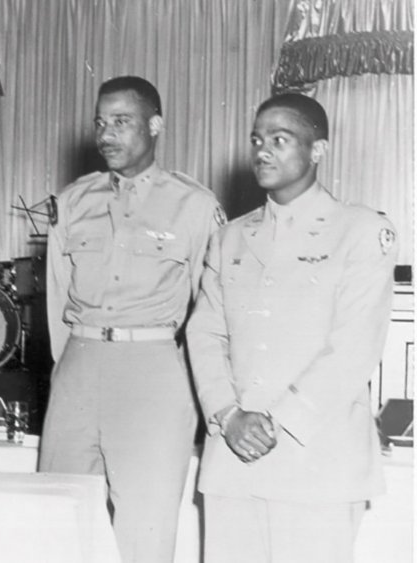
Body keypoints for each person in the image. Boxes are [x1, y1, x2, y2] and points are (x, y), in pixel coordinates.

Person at [186, 93, 397, 563]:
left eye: (280, 140)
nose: (263, 150)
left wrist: (276, 424)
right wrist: (228, 415)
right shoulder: (229, 238)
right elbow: (205, 334)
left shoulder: (360, 231)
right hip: (232, 458)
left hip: (315, 462)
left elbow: (354, 348)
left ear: (317, 150)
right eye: (258, 139)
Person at [41, 76, 225, 562]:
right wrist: (72, 366)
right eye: (101, 122)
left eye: (122, 122)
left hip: (154, 372)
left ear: (156, 125)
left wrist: (184, 384)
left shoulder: (195, 205)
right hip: (79, 367)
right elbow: (57, 298)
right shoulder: (73, 201)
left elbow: (208, 309)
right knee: (57, 520)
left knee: (145, 533)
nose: (107, 134)